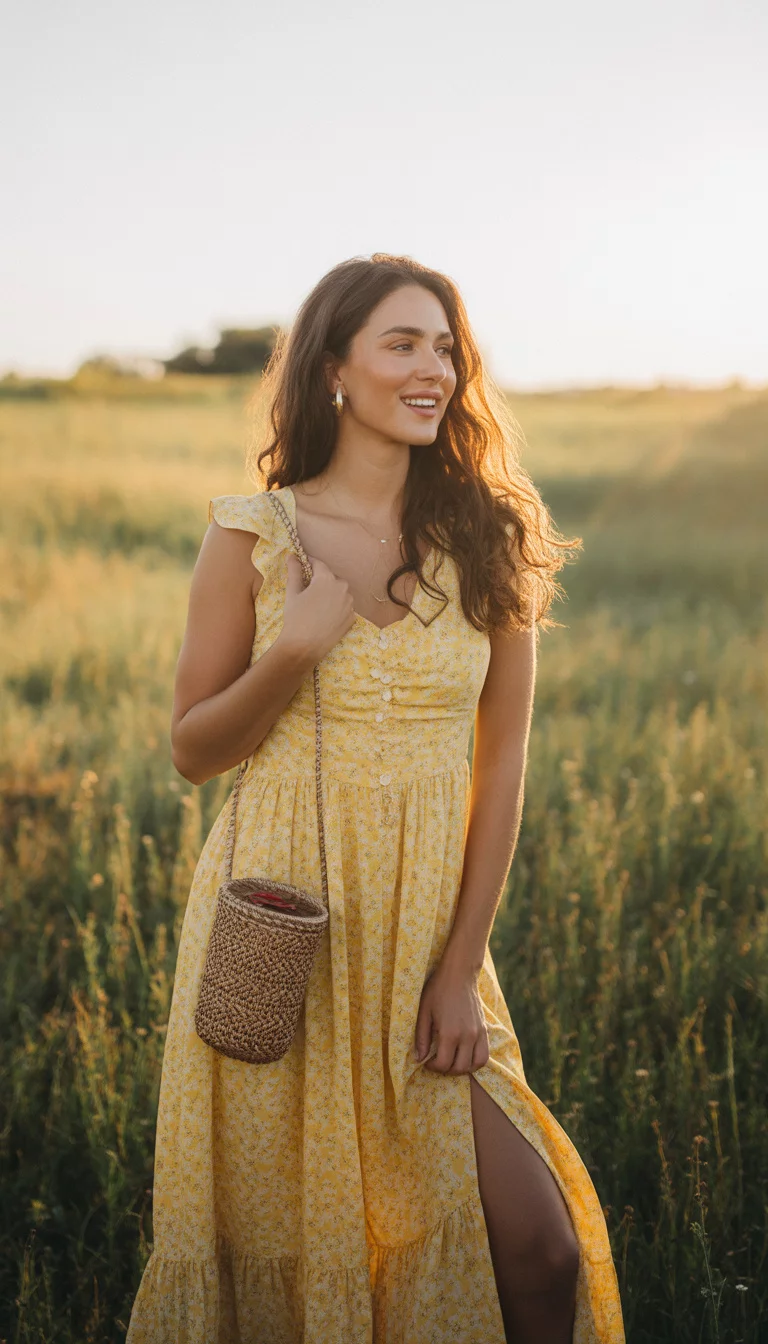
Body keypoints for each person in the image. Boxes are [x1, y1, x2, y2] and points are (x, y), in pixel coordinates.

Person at [126, 253, 625, 1344]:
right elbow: (192, 751)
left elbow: (504, 772)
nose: (434, 368)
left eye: (446, 347)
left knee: (534, 1244)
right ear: (335, 370)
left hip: (426, 935)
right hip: (284, 925)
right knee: (297, 1244)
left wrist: (459, 971)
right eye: (403, 343)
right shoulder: (252, 533)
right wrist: (292, 652)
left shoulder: (490, 534)